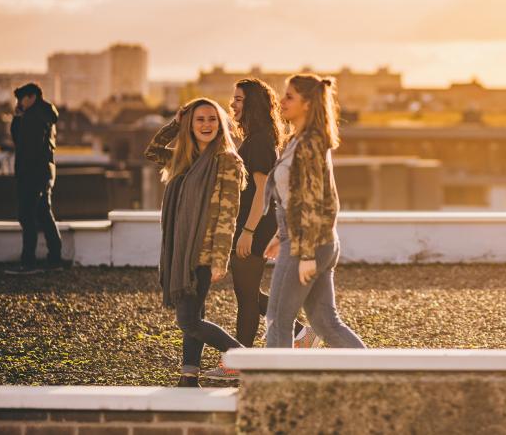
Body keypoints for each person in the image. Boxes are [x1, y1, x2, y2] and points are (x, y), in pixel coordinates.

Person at [145, 98, 247, 387]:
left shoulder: (227, 160)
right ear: (190, 124)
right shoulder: (182, 158)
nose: (206, 125)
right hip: (181, 251)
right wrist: (175, 124)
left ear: (221, 124)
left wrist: (220, 258)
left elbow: (229, 213)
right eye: (199, 119)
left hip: (203, 252)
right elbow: (151, 151)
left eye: (212, 119)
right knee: (195, 315)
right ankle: (189, 376)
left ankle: (244, 358)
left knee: (188, 320)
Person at [262, 74, 365, 350]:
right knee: (325, 323)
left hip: (305, 245)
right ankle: (375, 374)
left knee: (277, 320)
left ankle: (273, 387)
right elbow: (293, 197)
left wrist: (305, 253)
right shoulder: (300, 140)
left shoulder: (309, 144)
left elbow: (316, 201)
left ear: (307, 104)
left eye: (289, 96)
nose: (281, 101)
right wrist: (279, 233)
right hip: (310, 241)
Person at [219, 79, 318, 356]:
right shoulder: (256, 137)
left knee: (246, 297)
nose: (233, 104)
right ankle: (301, 332)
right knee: (248, 292)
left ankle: (239, 362)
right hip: (252, 225)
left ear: (252, 103)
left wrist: (248, 231)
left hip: (255, 226)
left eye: (238, 99)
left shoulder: (260, 140)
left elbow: (263, 192)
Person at [5, 83, 64, 275]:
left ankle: (28, 263)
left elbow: (22, 144)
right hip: (45, 172)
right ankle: (55, 259)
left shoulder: (33, 117)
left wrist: (18, 119)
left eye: (20, 99)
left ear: (31, 97)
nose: (19, 103)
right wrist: (17, 118)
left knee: (27, 215)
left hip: (32, 173)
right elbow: (21, 140)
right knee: (44, 214)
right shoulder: (45, 115)